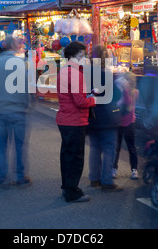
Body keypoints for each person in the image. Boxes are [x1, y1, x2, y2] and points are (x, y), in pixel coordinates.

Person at [0, 36, 31, 189]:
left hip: (0, 110)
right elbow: (25, 87)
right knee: (19, 146)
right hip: (18, 110)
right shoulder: (19, 63)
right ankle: (20, 177)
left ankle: (2, 177)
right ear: (13, 46)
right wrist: (26, 104)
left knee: (1, 146)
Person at [56, 41, 96, 202]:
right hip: (74, 121)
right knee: (75, 158)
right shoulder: (74, 73)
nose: (84, 58)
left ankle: (67, 187)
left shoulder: (64, 71)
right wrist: (93, 100)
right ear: (74, 56)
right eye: (82, 55)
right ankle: (72, 192)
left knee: (67, 156)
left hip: (65, 119)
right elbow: (80, 102)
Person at [87, 46, 123, 192]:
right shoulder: (106, 75)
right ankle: (107, 180)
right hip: (107, 117)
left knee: (94, 148)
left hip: (91, 115)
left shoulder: (86, 74)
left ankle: (94, 178)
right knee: (109, 148)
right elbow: (117, 95)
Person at [113, 72, 140, 180]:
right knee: (116, 147)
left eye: (130, 80)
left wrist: (125, 90)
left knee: (131, 147)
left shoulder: (134, 92)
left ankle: (134, 169)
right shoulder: (119, 89)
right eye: (127, 79)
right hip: (118, 122)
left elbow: (128, 103)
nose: (128, 82)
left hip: (129, 122)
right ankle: (113, 168)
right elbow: (117, 104)